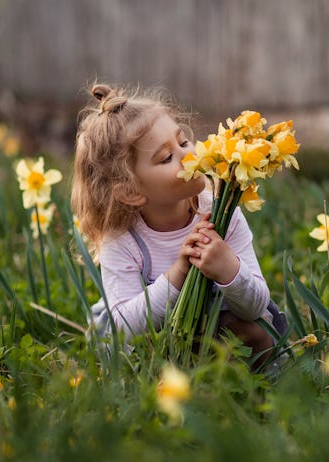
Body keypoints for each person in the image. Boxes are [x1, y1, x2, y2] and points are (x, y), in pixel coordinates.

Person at [71, 83, 277, 361]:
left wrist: (229, 270)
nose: (187, 156)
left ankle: (253, 387)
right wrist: (178, 274)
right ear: (131, 192)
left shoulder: (223, 211)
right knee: (122, 350)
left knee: (259, 332)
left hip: (217, 325)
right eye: (167, 157)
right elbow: (125, 328)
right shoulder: (121, 239)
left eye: (183, 143)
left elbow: (257, 307)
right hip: (154, 338)